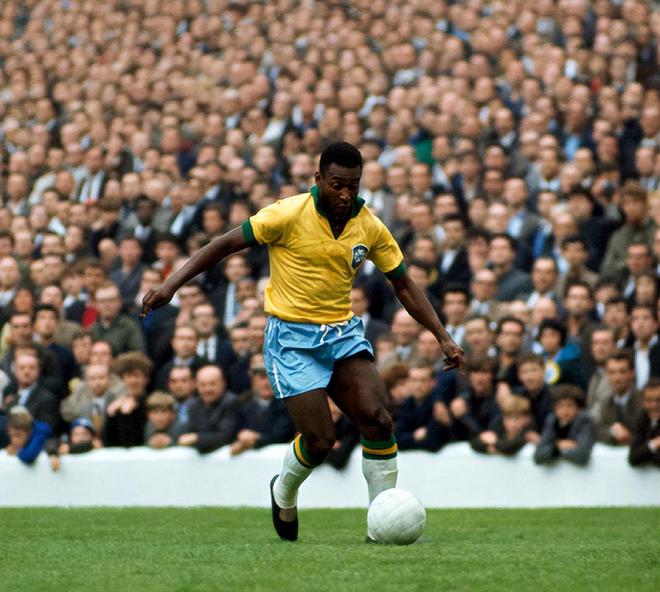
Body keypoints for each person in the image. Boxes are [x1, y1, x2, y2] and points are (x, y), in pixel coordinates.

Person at [142, 142, 463, 542]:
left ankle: (379, 530)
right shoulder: (287, 214)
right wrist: (170, 286)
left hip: (341, 333)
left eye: (353, 185)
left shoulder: (370, 226)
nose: (345, 193)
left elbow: (403, 284)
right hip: (291, 339)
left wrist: (443, 336)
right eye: (337, 184)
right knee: (321, 441)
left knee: (379, 420)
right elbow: (223, 244)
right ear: (318, 179)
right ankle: (284, 490)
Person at [534, 385, 596, 466]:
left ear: (578, 408)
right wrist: (558, 447)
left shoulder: (584, 422)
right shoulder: (551, 421)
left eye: (569, 406)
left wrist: (555, 450)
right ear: (554, 409)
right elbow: (538, 456)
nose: (565, 411)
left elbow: (582, 455)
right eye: (560, 406)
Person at [470, 395, 535, 456]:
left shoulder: (528, 433)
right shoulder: (499, 429)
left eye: (517, 418)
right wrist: (489, 448)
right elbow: (475, 442)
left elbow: (509, 448)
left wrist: (494, 442)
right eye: (508, 418)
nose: (512, 423)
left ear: (527, 419)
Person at [628, 378, 660, 467]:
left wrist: (646, 450)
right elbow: (633, 457)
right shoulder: (642, 418)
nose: (654, 405)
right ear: (643, 402)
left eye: (658, 400)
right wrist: (655, 443)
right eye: (649, 400)